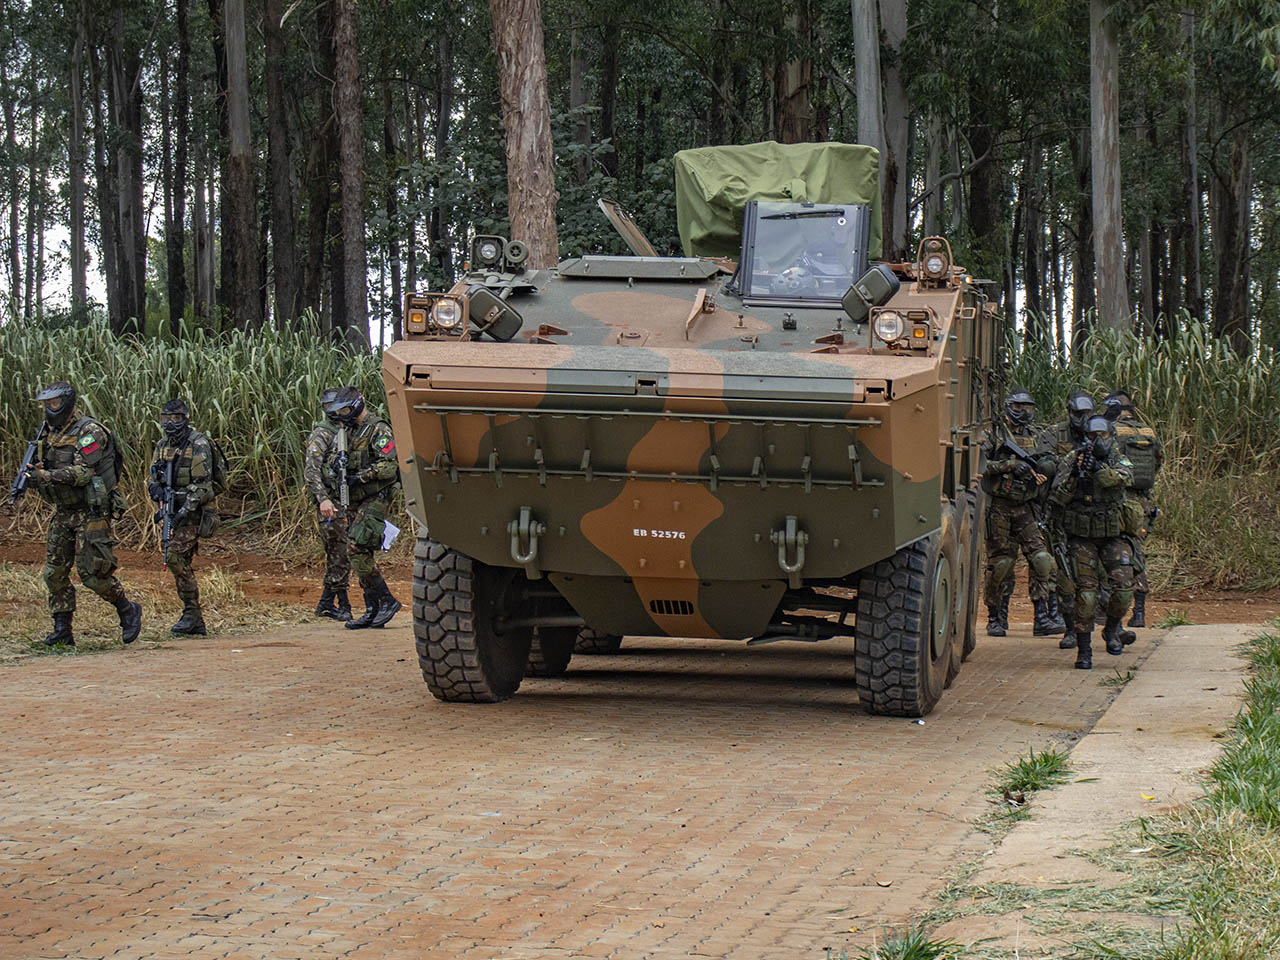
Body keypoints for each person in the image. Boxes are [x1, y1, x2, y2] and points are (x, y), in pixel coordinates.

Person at [24, 381, 142, 647]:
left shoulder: (89, 432)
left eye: (53, 404)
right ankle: (62, 629)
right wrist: (36, 473)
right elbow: (52, 468)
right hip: (64, 511)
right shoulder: (50, 433)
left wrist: (45, 475)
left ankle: (127, 608)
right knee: (54, 573)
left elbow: (83, 473)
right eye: (45, 404)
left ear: (67, 402)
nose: (48, 409)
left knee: (92, 575)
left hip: (91, 512)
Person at [303, 386, 402, 629]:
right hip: (356, 498)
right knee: (355, 550)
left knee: (356, 546)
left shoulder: (377, 428)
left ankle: (386, 600)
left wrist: (360, 476)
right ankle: (373, 608)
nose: (341, 416)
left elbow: (389, 467)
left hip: (376, 496)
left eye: (345, 410)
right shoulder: (348, 431)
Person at [1048, 414, 1138, 669]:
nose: (1097, 441)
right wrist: (1076, 474)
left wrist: (1098, 470)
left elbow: (1124, 478)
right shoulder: (1072, 459)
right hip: (1082, 538)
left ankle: (1111, 630)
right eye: (1091, 436)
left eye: (1103, 435)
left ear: (1112, 437)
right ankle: (1084, 650)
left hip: (1113, 535)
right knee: (1086, 596)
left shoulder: (1117, 458)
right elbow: (1058, 497)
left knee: (1123, 588)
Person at [981, 387, 1061, 637]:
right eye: (1018, 408)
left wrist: (1042, 472)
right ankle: (996, 617)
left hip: (1027, 507)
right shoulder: (993, 433)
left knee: (1041, 559)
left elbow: (1053, 461)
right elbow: (980, 464)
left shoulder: (1037, 435)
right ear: (1008, 408)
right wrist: (1012, 465)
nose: (1023, 412)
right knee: (1001, 563)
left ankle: (1042, 617)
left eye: (1027, 407)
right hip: (999, 507)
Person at [147, 399, 218, 636]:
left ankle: (191, 614)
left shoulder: (198, 443)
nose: (169, 424)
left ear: (184, 418)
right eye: (165, 419)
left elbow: (203, 485)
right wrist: (155, 490)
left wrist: (183, 512)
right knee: (179, 559)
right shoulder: (162, 445)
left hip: (194, 511)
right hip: (173, 508)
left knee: (175, 557)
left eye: (174, 419)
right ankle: (194, 619)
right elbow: (152, 477)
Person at [1037, 391, 1096, 650]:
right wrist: (1073, 462)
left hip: (1093, 513)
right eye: (1077, 414)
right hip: (1061, 511)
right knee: (1065, 574)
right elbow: (1043, 464)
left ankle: (1101, 627)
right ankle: (1070, 627)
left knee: (1097, 575)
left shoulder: (1101, 434)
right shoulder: (1054, 433)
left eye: (1087, 415)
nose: (1082, 420)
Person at [1105, 389, 1164, 628]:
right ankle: (1139, 612)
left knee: (1115, 554)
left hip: (1119, 501)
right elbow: (1158, 462)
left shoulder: (1112, 431)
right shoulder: (1149, 432)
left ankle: (1112, 609)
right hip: (1143, 503)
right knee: (1137, 553)